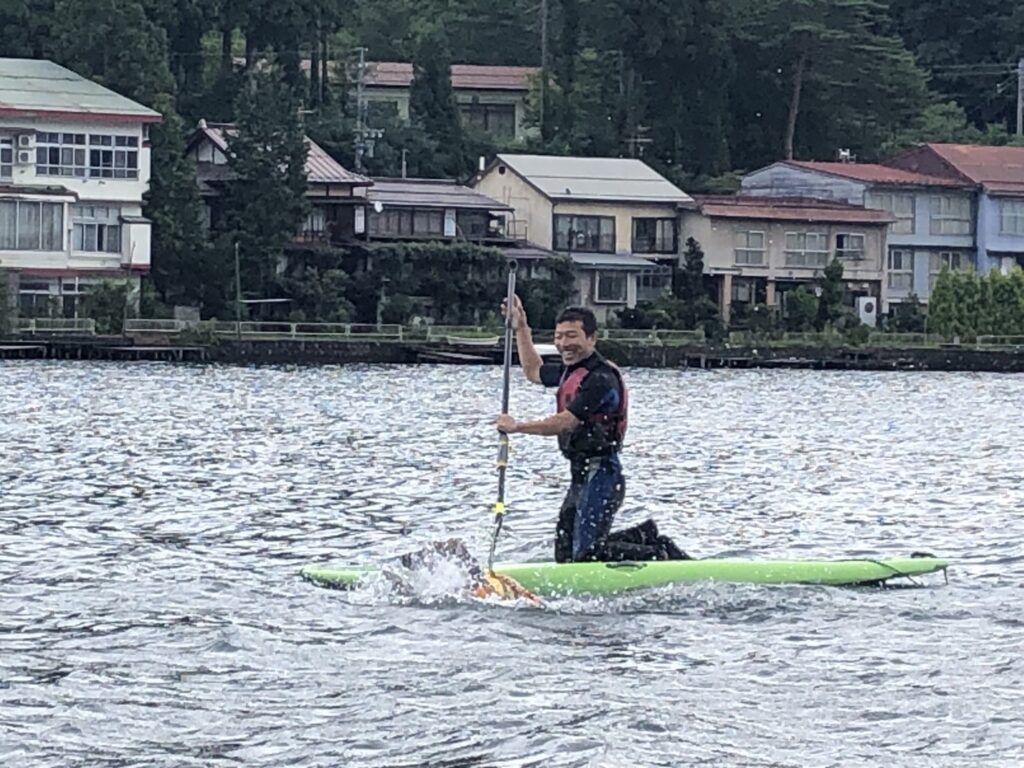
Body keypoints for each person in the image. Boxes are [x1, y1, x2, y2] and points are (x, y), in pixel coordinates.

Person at [495, 298, 689, 563]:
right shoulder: (569, 372)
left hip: (603, 474)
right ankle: (644, 536)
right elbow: (533, 371)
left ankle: (660, 552)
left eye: (572, 336)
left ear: (592, 339)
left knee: (587, 553)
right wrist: (521, 328)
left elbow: (566, 421)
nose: (564, 343)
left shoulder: (600, 378)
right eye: (559, 336)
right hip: (580, 474)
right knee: (565, 556)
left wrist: (518, 427)